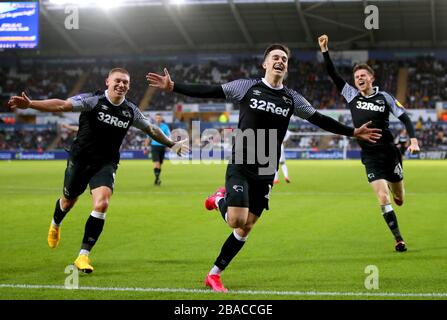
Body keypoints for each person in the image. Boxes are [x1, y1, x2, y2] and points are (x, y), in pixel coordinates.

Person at [147, 44, 382, 292]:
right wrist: (174, 87)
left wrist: (352, 131)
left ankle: (214, 274)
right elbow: (211, 90)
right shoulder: (246, 87)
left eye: (284, 59)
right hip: (242, 160)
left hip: (267, 168)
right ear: (265, 64)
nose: (280, 61)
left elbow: (319, 119)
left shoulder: (292, 98)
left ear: (286, 66)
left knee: (246, 226)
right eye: (275, 58)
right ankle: (219, 199)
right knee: (235, 219)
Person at [8, 68, 188, 274]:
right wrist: (30, 104)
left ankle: (83, 256)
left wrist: (171, 143)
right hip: (80, 159)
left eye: (126, 83)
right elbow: (62, 105)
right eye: (118, 81)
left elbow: (151, 129)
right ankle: (55, 223)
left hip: (106, 163)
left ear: (128, 87)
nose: (121, 85)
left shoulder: (131, 110)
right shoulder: (92, 101)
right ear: (107, 82)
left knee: (102, 203)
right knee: (68, 201)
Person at [318, 34, 420, 252]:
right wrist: (325, 51)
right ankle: (398, 239)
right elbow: (333, 74)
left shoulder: (385, 97)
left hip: (390, 153)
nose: (359, 79)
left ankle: (397, 189)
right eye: (356, 77)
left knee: (399, 199)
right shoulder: (352, 96)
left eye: (363, 75)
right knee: (382, 196)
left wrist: (413, 139)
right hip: (370, 156)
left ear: (372, 78)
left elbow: (405, 117)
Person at [144, 113, 171, 186]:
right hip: (154, 147)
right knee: (157, 163)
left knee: (160, 164)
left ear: (161, 119)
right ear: (155, 119)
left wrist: (169, 145)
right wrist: (146, 147)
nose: (158, 119)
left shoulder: (165, 127)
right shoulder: (151, 127)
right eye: (157, 118)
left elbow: (168, 136)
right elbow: (148, 138)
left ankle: (157, 178)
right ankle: (157, 179)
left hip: (162, 147)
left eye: (159, 118)